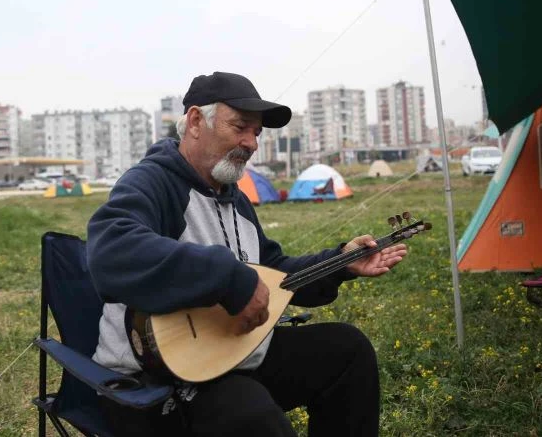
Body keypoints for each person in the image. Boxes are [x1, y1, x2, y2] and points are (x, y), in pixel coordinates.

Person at [87, 72, 408, 437]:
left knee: (349, 352)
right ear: (195, 122)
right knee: (254, 417)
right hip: (151, 380)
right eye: (241, 126)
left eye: (257, 132)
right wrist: (230, 278)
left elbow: (272, 273)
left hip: (228, 355)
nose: (251, 142)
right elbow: (111, 249)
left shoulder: (234, 197)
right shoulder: (152, 182)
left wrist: (339, 263)